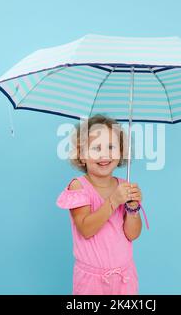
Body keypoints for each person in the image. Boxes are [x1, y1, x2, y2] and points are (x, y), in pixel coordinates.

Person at [56, 113, 149, 295]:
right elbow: (86, 229)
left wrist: (132, 209)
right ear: (81, 155)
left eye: (111, 147)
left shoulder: (123, 186)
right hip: (91, 282)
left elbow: (132, 234)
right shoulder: (79, 186)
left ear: (121, 152)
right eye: (96, 148)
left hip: (124, 277)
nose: (105, 154)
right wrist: (114, 201)